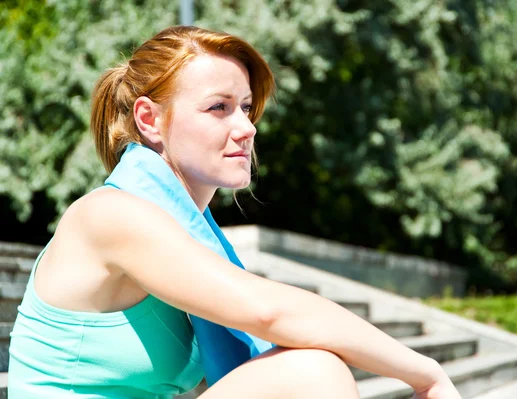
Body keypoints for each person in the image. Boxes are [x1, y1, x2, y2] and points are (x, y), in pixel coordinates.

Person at [8, 25, 462, 399]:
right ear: (149, 120)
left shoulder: (187, 233)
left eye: (245, 108)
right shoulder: (111, 216)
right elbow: (267, 312)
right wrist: (426, 373)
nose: (247, 127)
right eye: (218, 108)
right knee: (312, 373)